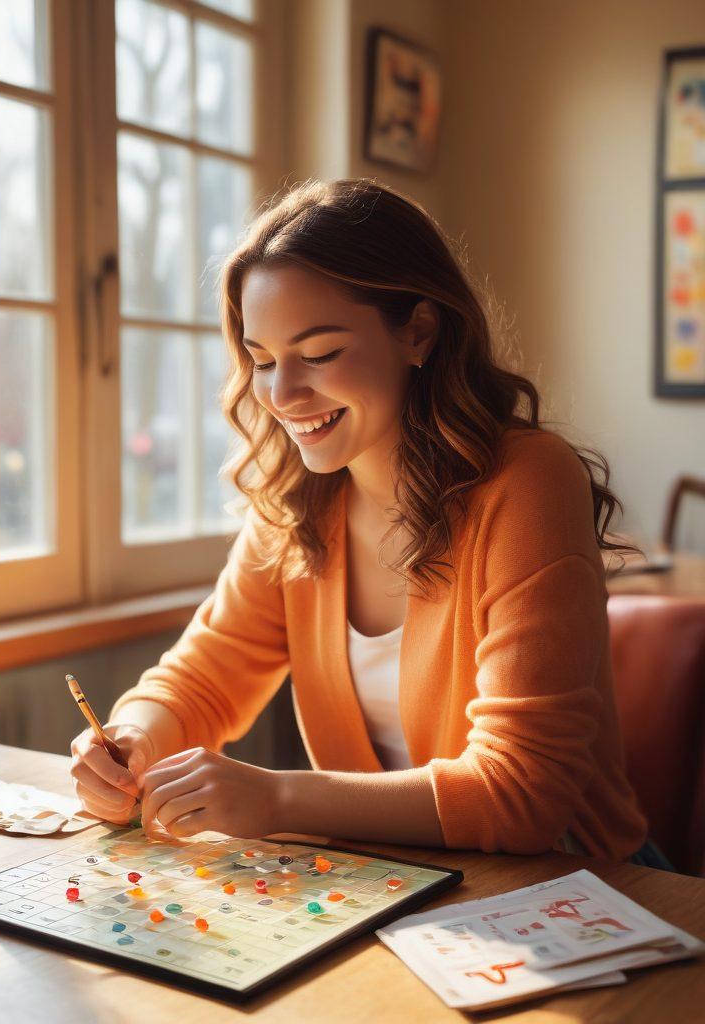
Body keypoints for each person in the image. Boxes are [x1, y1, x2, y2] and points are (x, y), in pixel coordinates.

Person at [70, 177, 667, 867]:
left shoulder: (528, 484)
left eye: (319, 354)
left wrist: (279, 800)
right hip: (398, 883)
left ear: (418, 331)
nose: (283, 395)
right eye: (262, 361)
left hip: (579, 889)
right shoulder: (298, 503)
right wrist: (131, 741)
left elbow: (523, 794)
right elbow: (200, 683)